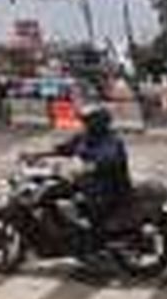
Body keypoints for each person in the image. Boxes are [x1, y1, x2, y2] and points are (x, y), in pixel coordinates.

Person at [33, 103, 132, 244]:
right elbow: (64, 149)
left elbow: (108, 159)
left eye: (87, 122)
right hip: (86, 183)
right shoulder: (84, 137)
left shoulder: (112, 141)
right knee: (53, 192)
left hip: (106, 189)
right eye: (84, 122)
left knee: (75, 206)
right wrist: (37, 155)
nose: (84, 125)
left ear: (98, 124)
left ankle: (87, 239)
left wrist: (88, 167)